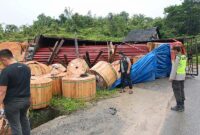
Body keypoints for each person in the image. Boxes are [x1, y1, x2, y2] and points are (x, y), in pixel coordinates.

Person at [0, 49, 31, 135]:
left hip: (12, 104)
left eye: (1, 62)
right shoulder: (27, 68)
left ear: (4, 59)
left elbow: (2, 91)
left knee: (15, 125)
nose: (2, 64)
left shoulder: (6, 71)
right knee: (24, 120)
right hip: (26, 101)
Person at [169, 46, 187, 112]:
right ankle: (182, 105)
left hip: (177, 77)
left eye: (173, 50)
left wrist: (171, 78)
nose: (173, 52)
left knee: (177, 91)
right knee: (181, 90)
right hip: (182, 76)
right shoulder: (184, 57)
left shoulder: (178, 57)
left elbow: (174, 68)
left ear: (176, 50)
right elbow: (183, 66)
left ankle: (179, 107)